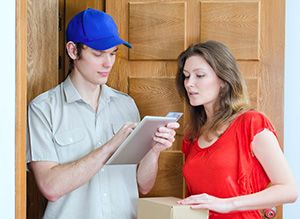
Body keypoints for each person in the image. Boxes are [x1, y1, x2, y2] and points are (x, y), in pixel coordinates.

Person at [26, 8, 179, 219]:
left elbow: (143, 185)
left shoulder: (126, 105)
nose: (108, 63)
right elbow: (50, 187)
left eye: (113, 53)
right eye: (98, 54)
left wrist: (154, 151)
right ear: (73, 51)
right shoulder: (43, 108)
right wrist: (110, 146)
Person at [175, 40, 298, 218]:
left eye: (199, 75)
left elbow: (289, 190)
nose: (189, 83)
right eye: (186, 76)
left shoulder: (252, 123)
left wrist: (228, 204)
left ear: (224, 81)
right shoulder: (192, 135)